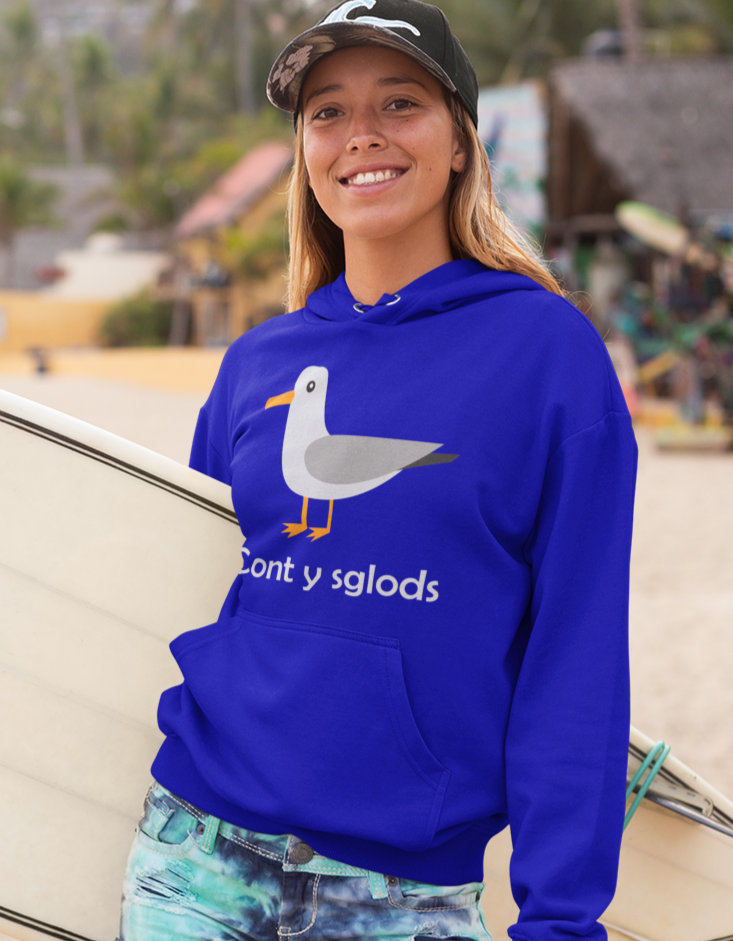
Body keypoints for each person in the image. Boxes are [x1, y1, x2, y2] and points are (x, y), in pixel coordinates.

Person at [118, 2, 637, 939]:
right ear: (304, 151)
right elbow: (191, 591)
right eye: (327, 111)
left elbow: (577, 657)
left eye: (399, 103)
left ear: (459, 143)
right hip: (192, 856)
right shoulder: (257, 362)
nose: (360, 135)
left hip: (402, 896)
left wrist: (559, 918)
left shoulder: (547, 354)